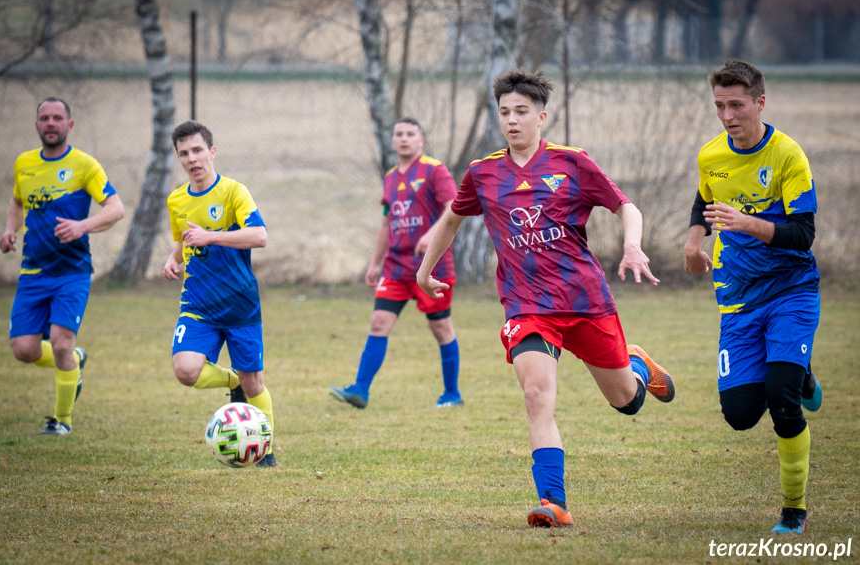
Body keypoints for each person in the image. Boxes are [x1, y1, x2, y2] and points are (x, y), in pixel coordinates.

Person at [416, 69, 675, 528]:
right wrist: (425, 268)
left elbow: (624, 205)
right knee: (536, 394)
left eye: (521, 112)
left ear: (542, 116)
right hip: (527, 306)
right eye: (504, 113)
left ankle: (636, 366)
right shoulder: (483, 172)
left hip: (585, 301)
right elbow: (452, 219)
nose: (511, 121)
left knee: (626, 402)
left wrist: (632, 244)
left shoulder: (572, 163)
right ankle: (553, 502)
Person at [684, 59, 822, 534]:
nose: (727, 116)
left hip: (790, 290)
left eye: (736, 105)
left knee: (780, 397)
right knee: (740, 416)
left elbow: (803, 234)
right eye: (720, 106)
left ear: (760, 101)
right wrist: (692, 242)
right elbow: (704, 200)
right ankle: (800, 374)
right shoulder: (711, 156)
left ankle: (793, 510)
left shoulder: (788, 156)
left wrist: (749, 224)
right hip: (738, 297)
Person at [0, 98, 124, 436]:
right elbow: (17, 202)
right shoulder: (24, 163)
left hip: (72, 272)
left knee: (60, 343)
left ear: (70, 125)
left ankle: (62, 421)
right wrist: (11, 230)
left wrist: (83, 226)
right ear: (36, 125)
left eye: (57, 118)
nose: (50, 123)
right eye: (44, 118)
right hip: (33, 272)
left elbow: (115, 208)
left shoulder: (85, 165)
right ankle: (75, 361)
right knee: (23, 350)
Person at [163, 120, 277, 467]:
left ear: (211, 152)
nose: (192, 158)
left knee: (254, 383)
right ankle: (232, 381)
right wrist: (174, 257)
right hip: (198, 304)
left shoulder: (233, 192)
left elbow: (259, 236)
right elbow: (185, 240)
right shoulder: (177, 200)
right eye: (184, 153)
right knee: (185, 371)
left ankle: (265, 450)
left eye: (197, 150)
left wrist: (211, 236)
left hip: (240, 303)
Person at [330, 118, 463, 409]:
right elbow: (386, 223)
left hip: (432, 267)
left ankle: (452, 394)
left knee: (440, 328)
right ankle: (360, 390)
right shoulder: (390, 177)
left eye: (410, 134)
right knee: (379, 323)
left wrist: (431, 235)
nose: (404, 139)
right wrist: (374, 263)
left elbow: (453, 207)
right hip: (396, 266)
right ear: (393, 140)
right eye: (399, 134)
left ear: (421, 140)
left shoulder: (434, 170)